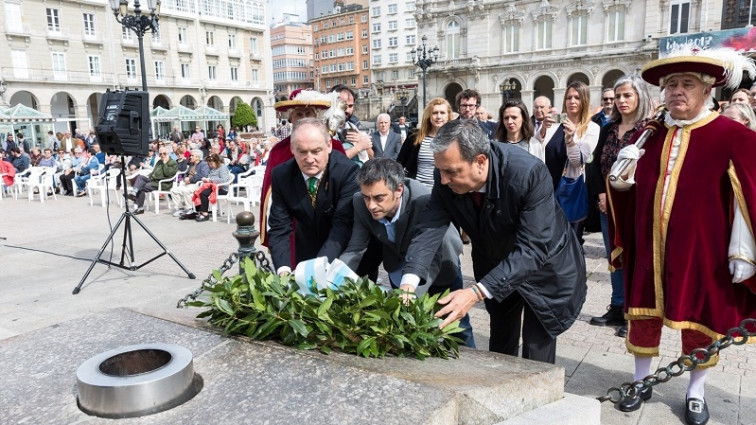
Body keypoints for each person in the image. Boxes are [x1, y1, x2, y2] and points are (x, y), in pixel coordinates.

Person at [608, 48, 756, 424]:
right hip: (649, 245)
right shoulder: (649, 134)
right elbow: (630, 189)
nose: (676, 91)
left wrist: (744, 252)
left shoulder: (733, 135)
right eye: (670, 84)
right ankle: (641, 382)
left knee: (699, 320)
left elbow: (748, 197)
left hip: (702, 249)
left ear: (707, 90)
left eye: (686, 83)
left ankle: (695, 391)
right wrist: (622, 183)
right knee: (643, 312)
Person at [400, 120, 586, 364]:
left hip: (544, 270)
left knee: (536, 354)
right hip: (496, 265)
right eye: (441, 171)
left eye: (452, 172)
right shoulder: (446, 172)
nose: (444, 180)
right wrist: (409, 282)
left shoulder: (528, 172)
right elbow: (430, 227)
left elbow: (533, 248)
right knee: (500, 346)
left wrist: (476, 292)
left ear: (480, 161)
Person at [339, 158, 475, 347]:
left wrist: (410, 294)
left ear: (399, 190)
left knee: (455, 324)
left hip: (440, 258)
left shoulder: (423, 200)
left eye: (379, 198)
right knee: (407, 325)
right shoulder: (359, 202)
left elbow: (430, 252)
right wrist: (334, 276)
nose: (371, 206)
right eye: (366, 197)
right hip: (400, 262)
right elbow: (356, 247)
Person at [587, 74, 655, 338]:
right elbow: (595, 165)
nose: (622, 100)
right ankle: (617, 307)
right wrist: (601, 193)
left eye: (627, 95)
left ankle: (634, 313)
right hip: (609, 206)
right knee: (614, 257)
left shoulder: (648, 130)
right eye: (618, 96)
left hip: (636, 205)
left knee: (636, 258)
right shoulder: (608, 127)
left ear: (639, 96)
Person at [267, 118, 359, 275]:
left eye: (316, 151)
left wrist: (316, 269)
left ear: (329, 146)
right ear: (292, 149)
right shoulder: (281, 175)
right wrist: (283, 270)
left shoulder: (347, 172)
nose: (309, 159)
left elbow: (342, 226)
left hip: (343, 260)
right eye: (302, 152)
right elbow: (279, 227)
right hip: (306, 254)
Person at [259, 89, 346, 246]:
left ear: (316, 115)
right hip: (293, 226)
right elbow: (271, 194)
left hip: (331, 225)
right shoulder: (279, 150)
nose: (304, 119)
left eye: (308, 113)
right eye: (299, 114)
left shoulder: (334, 145)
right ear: (291, 118)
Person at [545, 81, 601, 240]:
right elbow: (540, 152)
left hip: (570, 188)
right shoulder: (555, 123)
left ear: (584, 100)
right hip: (548, 188)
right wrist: (542, 131)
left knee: (570, 241)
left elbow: (578, 160)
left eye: (577, 97)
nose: (572, 101)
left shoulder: (592, 128)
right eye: (569, 97)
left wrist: (571, 137)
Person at [397, 98, 452, 187]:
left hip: (444, 194)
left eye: (442, 113)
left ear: (448, 116)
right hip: (417, 191)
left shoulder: (455, 140)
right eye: (434, 113)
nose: (438, 117)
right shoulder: (414, 137)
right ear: (429, 116)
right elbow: (399, 163)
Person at [331, 84, 373, 166]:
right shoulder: (323, 129)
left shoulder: (352, 126)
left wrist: (364, 142)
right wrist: (359, 147)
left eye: (350, 106)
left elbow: (371, 156)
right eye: (343, 105)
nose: (347, 110)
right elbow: (333, 161)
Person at [128, 147, 178, 214]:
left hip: (163, 183)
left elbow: (167, 173)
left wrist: (165, 163)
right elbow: (154, 171)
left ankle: (140, 208)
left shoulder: (173, 163)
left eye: (164, 154)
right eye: (160, 154)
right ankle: (134, 193)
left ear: (168, 154)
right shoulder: (159, 161)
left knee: (140, 186)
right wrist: (149, 176)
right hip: (153, 180)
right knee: (140, 177)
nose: (162, 155)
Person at [188, 153, 230, 222]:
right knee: (199, 192)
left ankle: (205, 214)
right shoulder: (213, 168)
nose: (210, 166)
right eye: (209, 164)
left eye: (211, 164)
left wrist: (210, 180)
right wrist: (206, 179)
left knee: (204, 193)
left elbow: (224, 180)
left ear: (216, 162)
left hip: (222, 188)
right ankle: (200, 211)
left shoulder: (222, 167)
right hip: (214, 187)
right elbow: (210, 176)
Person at [170, 150, 210, 217]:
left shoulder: (204, 165)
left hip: (196, 184)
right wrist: (185, 178)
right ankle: (180, 208)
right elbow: (186, 173)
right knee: (174, 190)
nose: (190, 157)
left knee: (186, 191)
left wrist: (190, 180)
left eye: (192, 156)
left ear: (197, 157)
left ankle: (189, 208)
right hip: (187, 183)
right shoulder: (192, 164)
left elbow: (202, 175)